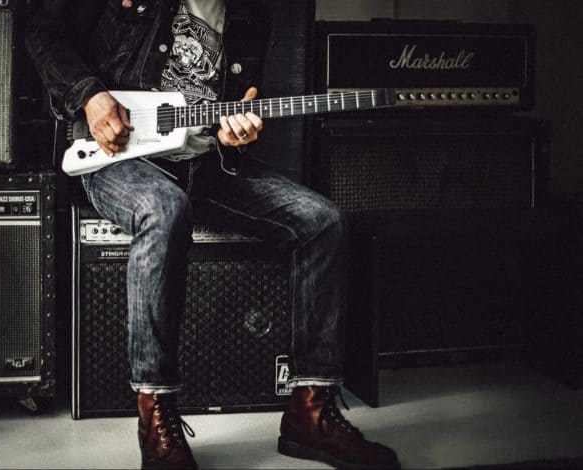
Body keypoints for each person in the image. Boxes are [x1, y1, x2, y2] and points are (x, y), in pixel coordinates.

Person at [26, 1, 400, 469]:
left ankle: (310, 411)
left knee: (322, 220)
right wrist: (91, 96)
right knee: (164, 208)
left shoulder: (250, 16)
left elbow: (236, 114)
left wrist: (234, 137)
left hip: (206, 166)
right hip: (118, 160)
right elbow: (43, 34)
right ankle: (155, 412)